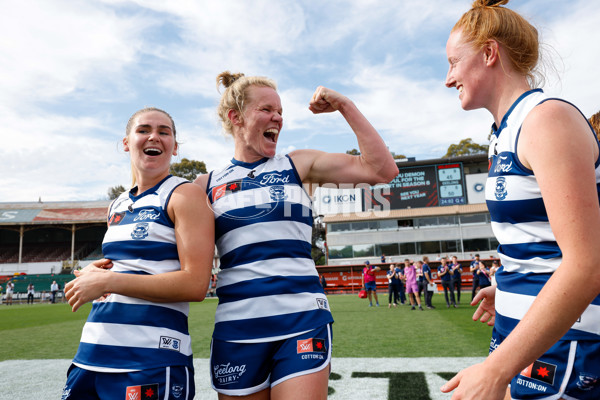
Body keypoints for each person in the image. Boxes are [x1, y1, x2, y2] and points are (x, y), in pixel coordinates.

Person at [195, 71, 398, 399]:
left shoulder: (297, 165)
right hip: (237, 328)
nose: (277, 117)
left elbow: (382, 170)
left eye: (280, 112)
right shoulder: (205, 185)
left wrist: (345, 105)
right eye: (266, 110)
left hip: (301, 320)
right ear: (236, 117)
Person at [441, 1, 600, 399]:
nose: (448, 78)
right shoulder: (505, 131)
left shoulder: (546, 120)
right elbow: (542, 245)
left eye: (453, 62)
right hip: (527, 338)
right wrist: (508, 288)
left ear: (489, 53)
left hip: (564, 349)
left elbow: (587, 265)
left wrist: (496, 370)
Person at [62, 107, 215, 400]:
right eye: (143, 130)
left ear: (174, 146)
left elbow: (196, 284)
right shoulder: (116, 205)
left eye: (164, 131)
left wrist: (109, 282)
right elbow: (127, 268)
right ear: (126, 142)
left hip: (150, 360)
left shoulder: (184, 194)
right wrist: (95, 275)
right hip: (90, 355)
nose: (153, 137)